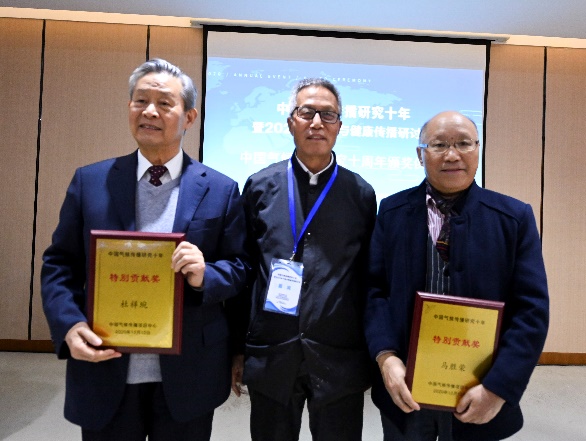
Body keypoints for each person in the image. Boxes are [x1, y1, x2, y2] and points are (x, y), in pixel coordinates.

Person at [41, 58, 248, 441]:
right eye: (140, 101)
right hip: (107, 364)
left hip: (189, 372)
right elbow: (60, 265)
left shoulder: (221, 189)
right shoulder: (90, 181)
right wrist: (69, 324)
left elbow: (240, 266)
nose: (150, 111)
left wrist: (207, 274)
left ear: (189, 117)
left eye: (164, 103)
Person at [364, 110, 550, 441]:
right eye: (439, 145)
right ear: (420, 154)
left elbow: (531, 311)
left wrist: (498, 387)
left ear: (478, 149)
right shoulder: (392, 212)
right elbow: (375, 292)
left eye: (463, 143)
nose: (452, 155)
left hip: (480, 385)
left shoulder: (513, 218)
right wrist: (386, 357)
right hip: (407, 385)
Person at [229, 78, 377, 441]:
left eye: (328, 115)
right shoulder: (260, 186)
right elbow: (244, 272)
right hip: (273, 352)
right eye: (307, 112)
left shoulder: (360, 193)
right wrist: (236, 349)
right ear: (290, 122)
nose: (317, 123)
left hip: (338, 357)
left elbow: (367, 280)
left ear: (339, 126)